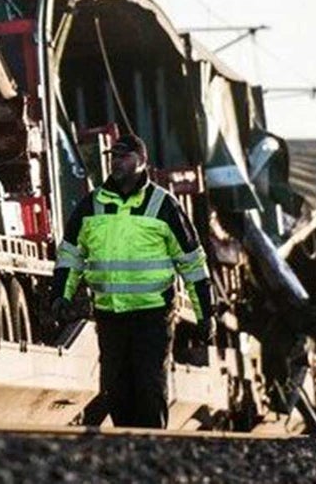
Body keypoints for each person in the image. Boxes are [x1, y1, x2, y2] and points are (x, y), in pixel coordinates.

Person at [51, 134, 214, 429]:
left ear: (141, 162)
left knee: (149, 389)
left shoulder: (164, 205)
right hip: (110, 315)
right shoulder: (92, 205)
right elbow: (70, 256)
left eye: (123, 157)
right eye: (113, 157)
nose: (115, 162)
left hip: (153, 315)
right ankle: (126, 450)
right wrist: (60, 296)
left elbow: (192, 263)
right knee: (116, 391)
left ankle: (151, 448)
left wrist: (205, 315)